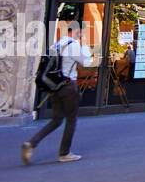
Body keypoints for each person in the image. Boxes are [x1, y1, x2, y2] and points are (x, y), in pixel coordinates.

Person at [21, 18, 92, 164]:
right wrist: (85, 46)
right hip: (68, 85)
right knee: (71, 120)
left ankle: (32, 143)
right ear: (77, 31)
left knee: (56, 119)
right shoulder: (74, 46)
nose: (83, 35)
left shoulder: (57, 44)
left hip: (55, 86)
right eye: (82, 32)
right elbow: (87, 62)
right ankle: (64, 153)